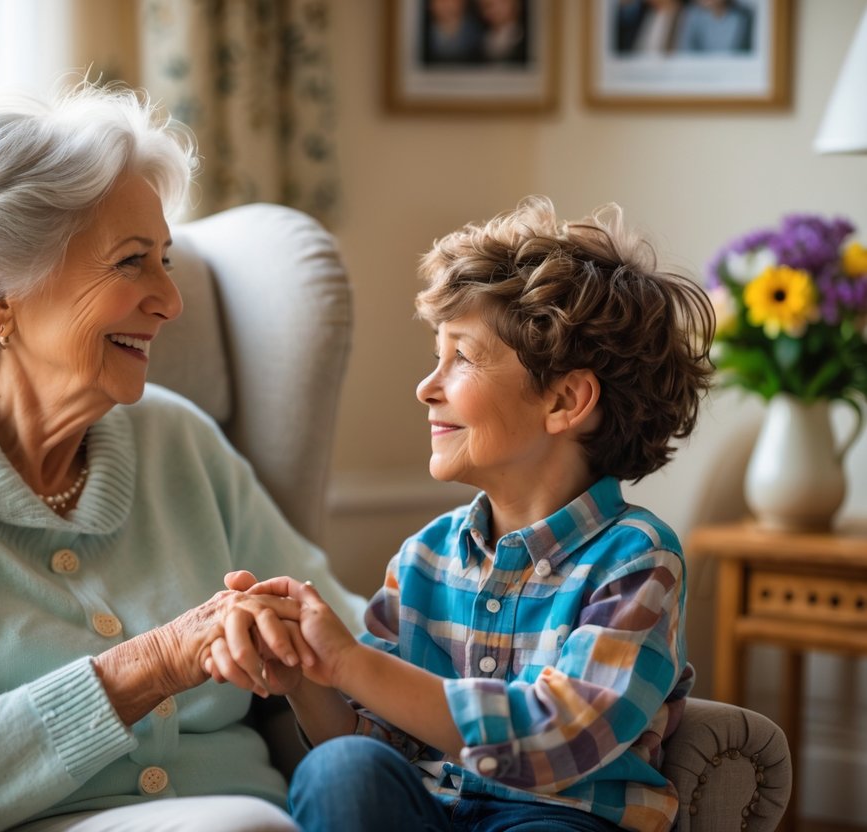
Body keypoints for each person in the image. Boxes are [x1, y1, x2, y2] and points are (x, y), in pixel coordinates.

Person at [0, 82, 364, 832]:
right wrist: (155, 663)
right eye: (129, 264)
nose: (169, 300)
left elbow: (352, 639)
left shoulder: (175, 438)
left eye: (165, 260)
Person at [213, 196, 716, 832]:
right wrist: (308, 678)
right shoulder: (426, 554)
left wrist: (353, 663)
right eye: (436, 354)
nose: (427, 386)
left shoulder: (638, 559)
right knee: (338, 771)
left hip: (559, 817)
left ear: (565, 399)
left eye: (463, 356)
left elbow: (561, 742)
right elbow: (377, 741)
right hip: (435, 811)